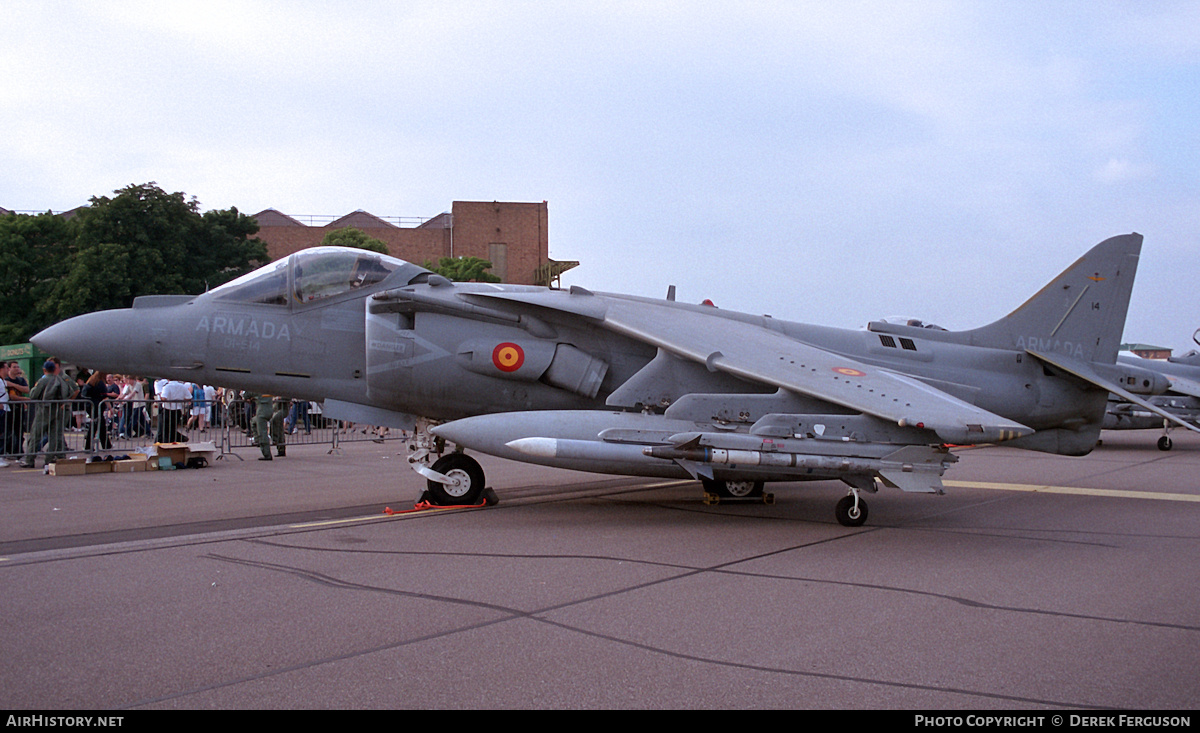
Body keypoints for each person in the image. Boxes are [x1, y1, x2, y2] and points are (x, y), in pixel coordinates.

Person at [21, 360, 73, 468]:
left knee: (35, 435)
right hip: (57, 410)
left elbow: (34, 394)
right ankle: (49, 460)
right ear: (54, 369)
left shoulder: (43, 380)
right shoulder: (61, 380)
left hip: (43, 410)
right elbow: (70, 392)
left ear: (44, 370)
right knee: (54, 436)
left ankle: (30, 460)